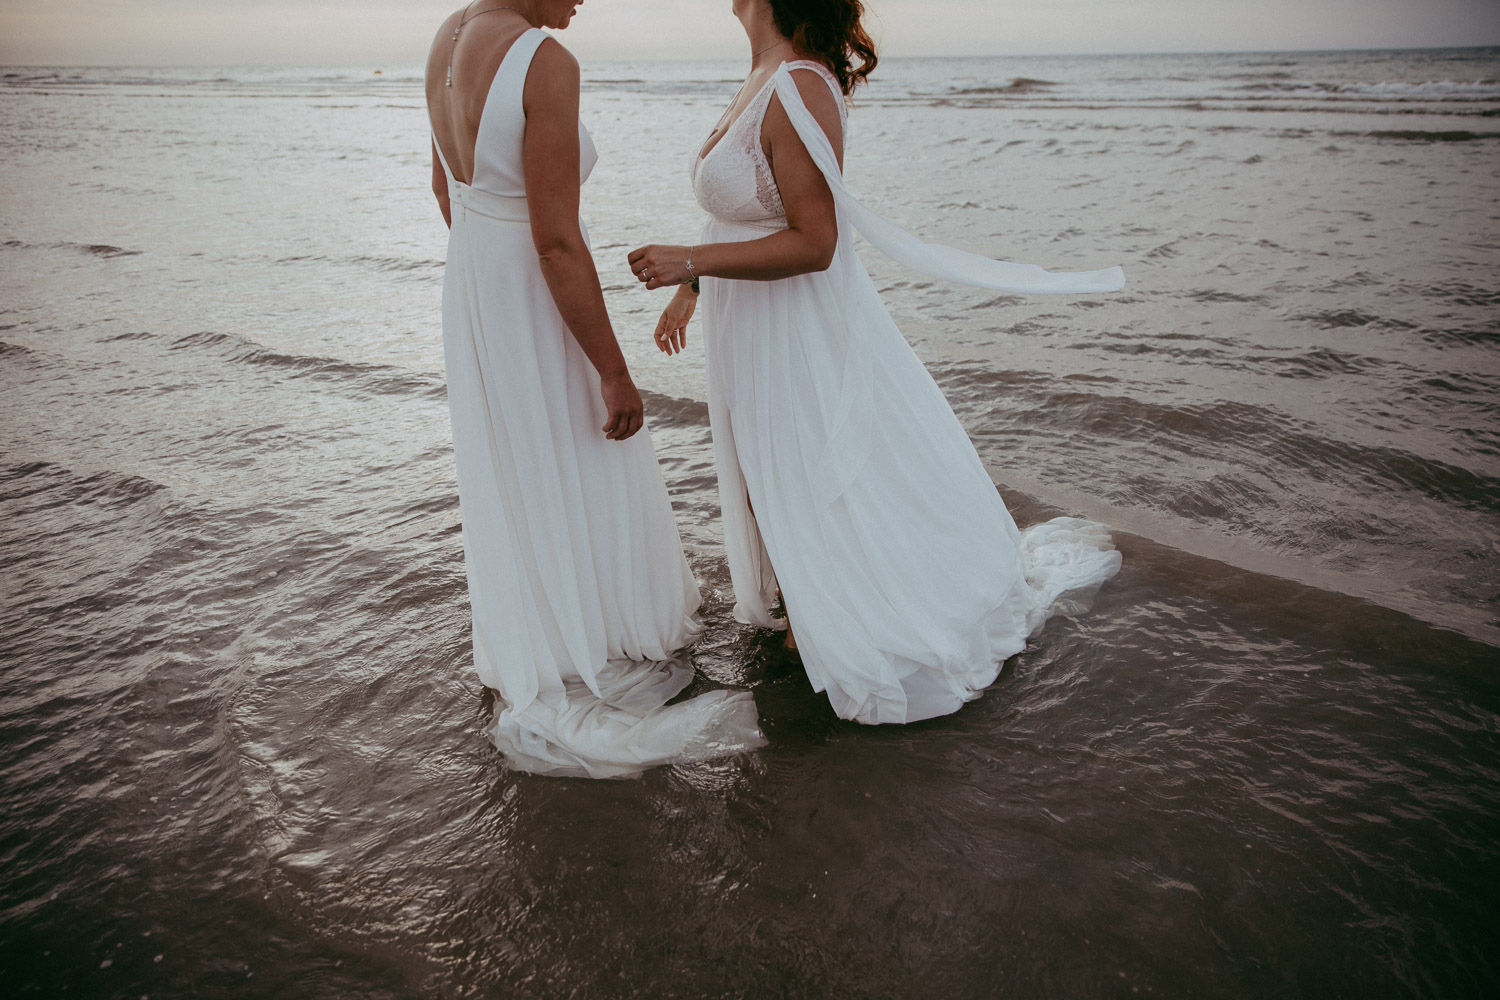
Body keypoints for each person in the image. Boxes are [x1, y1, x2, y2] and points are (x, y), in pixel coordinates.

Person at [628, 0, 1126, 725]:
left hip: (794, 328)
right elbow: (754, 211)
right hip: (749, 320)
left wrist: (689, 260)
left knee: (808, 466)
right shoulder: (762, 71)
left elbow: (815, 240)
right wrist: (695, 290)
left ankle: (846, 615)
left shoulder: (800, 83)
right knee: (771, 466)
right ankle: (807, 604)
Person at [425, 0, 763, 777]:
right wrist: (614, 368)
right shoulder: (545, 59)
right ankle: (600, 635)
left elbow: (447, 194)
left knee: (520, 464)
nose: (583, 0)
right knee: (591, 439)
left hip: (475, 287)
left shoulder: (446, 37)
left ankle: (544, 631)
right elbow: (554, 238)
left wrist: (488, 286)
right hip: (536, 292)